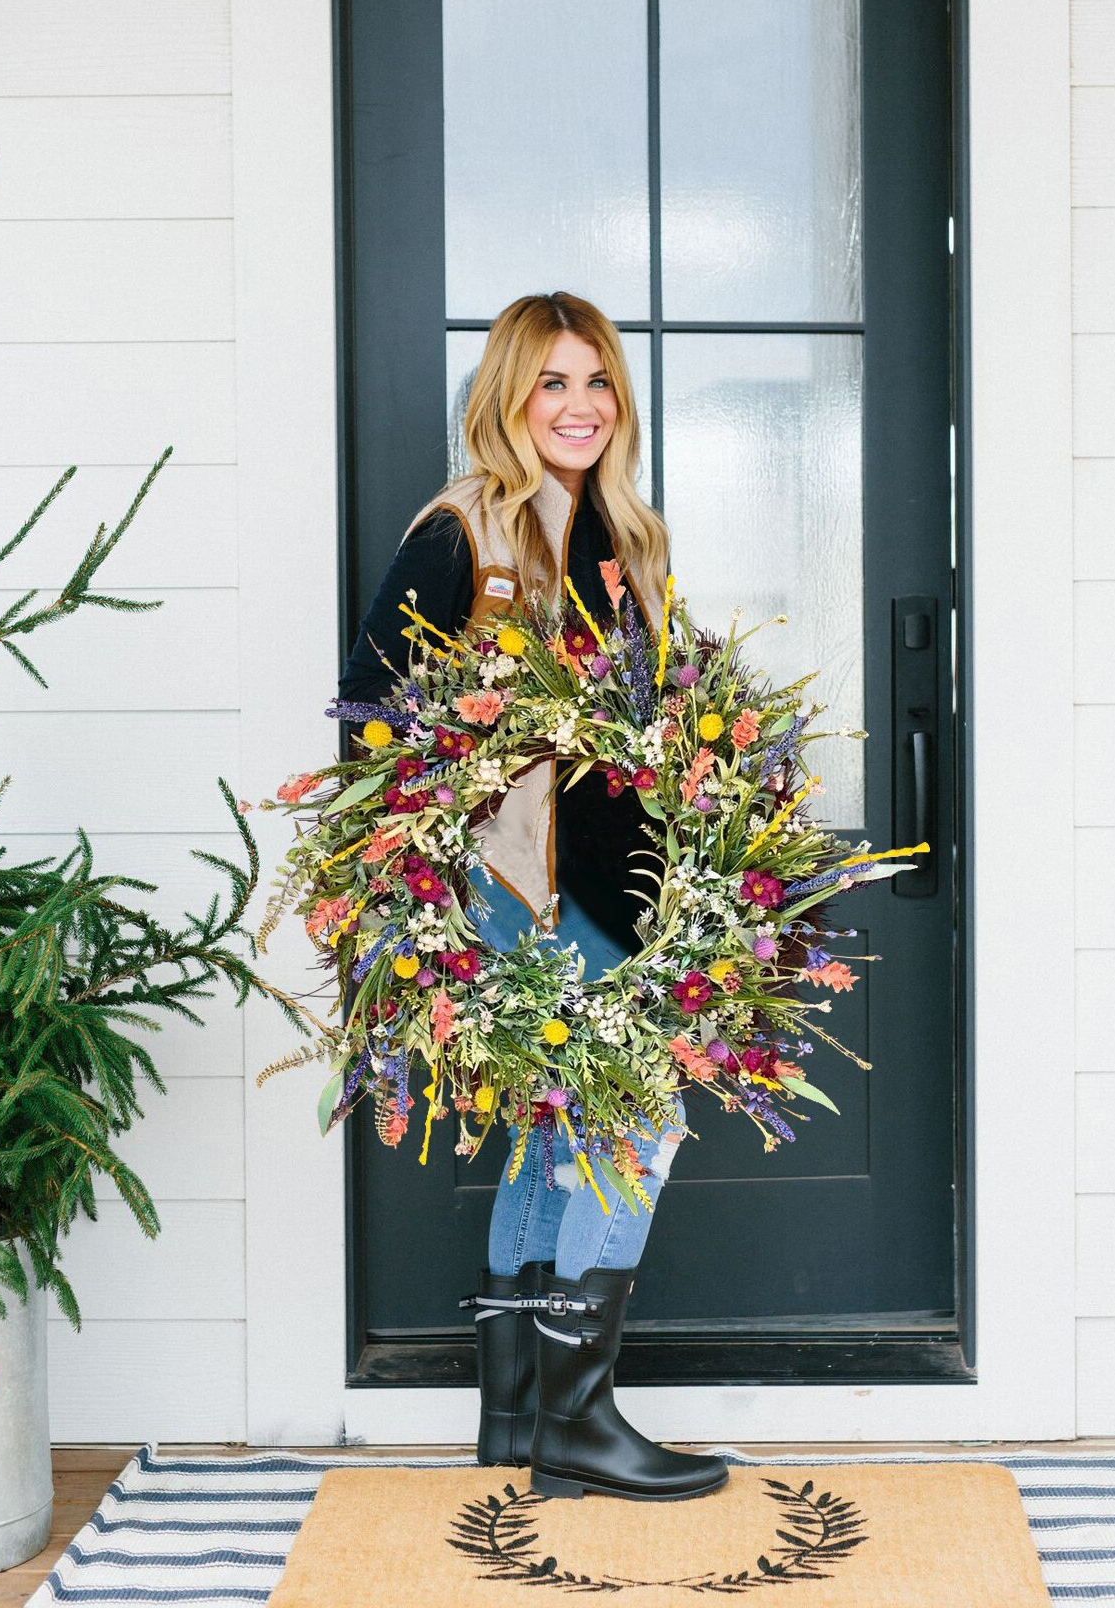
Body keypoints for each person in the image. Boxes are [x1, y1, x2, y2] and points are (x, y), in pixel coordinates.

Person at [337, 291, 727, 1502]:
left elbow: (651, 710)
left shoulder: (624, 534)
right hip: (521, 885)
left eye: (597, 380)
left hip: (617, 884)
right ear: (507, 397)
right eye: (552, 381)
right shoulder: (464, 530)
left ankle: (514, 1416)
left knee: (555, 1127)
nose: (579, 404)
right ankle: (578, 1419)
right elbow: (367, 714)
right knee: (632, 1120)